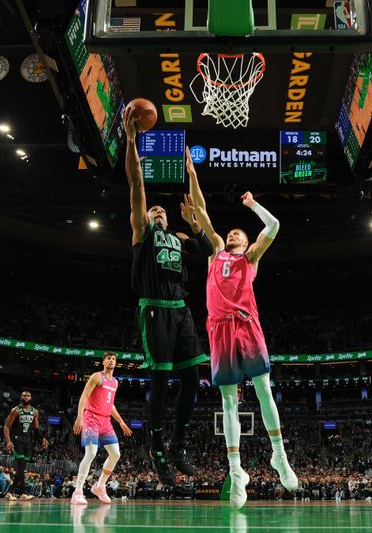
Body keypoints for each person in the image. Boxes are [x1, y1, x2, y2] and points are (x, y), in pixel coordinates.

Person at [186, 157, 297, 509]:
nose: (233, 233)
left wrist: (252, 205)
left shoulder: (250, 258)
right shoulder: (216, 252)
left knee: (263, 388)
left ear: (247, 241)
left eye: (240, 232)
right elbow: (201, 211)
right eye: (231, 231)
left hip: (247, 325)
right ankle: (236, 472)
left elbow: (275, 224)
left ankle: (279, 455)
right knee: (227, 401)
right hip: (218, 329)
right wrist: (192, 175)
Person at [123, 108, 214, 485]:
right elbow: (136, 187)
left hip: (182, 311)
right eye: (154, 210)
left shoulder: (178, 239)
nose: (158, 211)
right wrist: (131, 142)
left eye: (162, 210)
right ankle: (156, 446)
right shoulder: (142, 235)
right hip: (155, 311)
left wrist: (193, 208)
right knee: (161, 380)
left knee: (192, 378)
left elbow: (209, 245)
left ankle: (177, 444)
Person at [71, 352, 133, 505]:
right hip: (91, 418)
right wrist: (80, 417)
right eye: (108, 358)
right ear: (103, 362)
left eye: (113, 359)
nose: (111, 360)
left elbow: (110, 405)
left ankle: (99, 486)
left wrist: (121, 422)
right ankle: (77, 491)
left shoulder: (115, 383)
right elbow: (84, 396)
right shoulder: (96, 376)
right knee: (91, 452)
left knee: (115, 454)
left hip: (105, 421)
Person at [4, 391, 48, 501]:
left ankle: (19, 493)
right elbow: (6, 426)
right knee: (21, 467)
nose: (26, 397)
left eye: (28, 395)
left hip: (28, 441)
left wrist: (42, 438)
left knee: (22, 468)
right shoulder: (15, 410)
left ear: (31, 397)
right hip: (17, 439)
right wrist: (8, 441)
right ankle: (14, 492)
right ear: (21, 397)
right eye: (24, 395)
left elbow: (36, 429)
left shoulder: (34, 411)